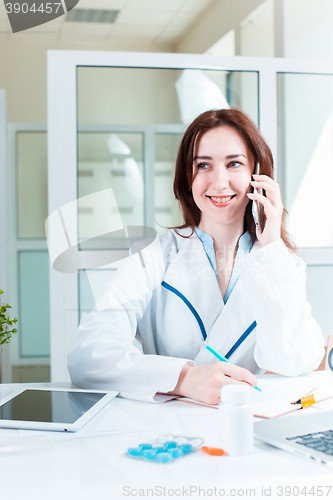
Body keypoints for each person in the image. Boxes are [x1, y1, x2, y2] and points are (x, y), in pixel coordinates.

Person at [68, 108, 324, 404]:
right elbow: (87, 354)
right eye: (203, 165)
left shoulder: (282, 263)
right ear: (187, 177)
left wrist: (271, 249)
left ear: (257, 174)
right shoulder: (152, 256)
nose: (219, 182)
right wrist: (184, 379)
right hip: (168, 434)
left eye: (234, 164)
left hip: (251, 429)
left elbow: (296, 360)